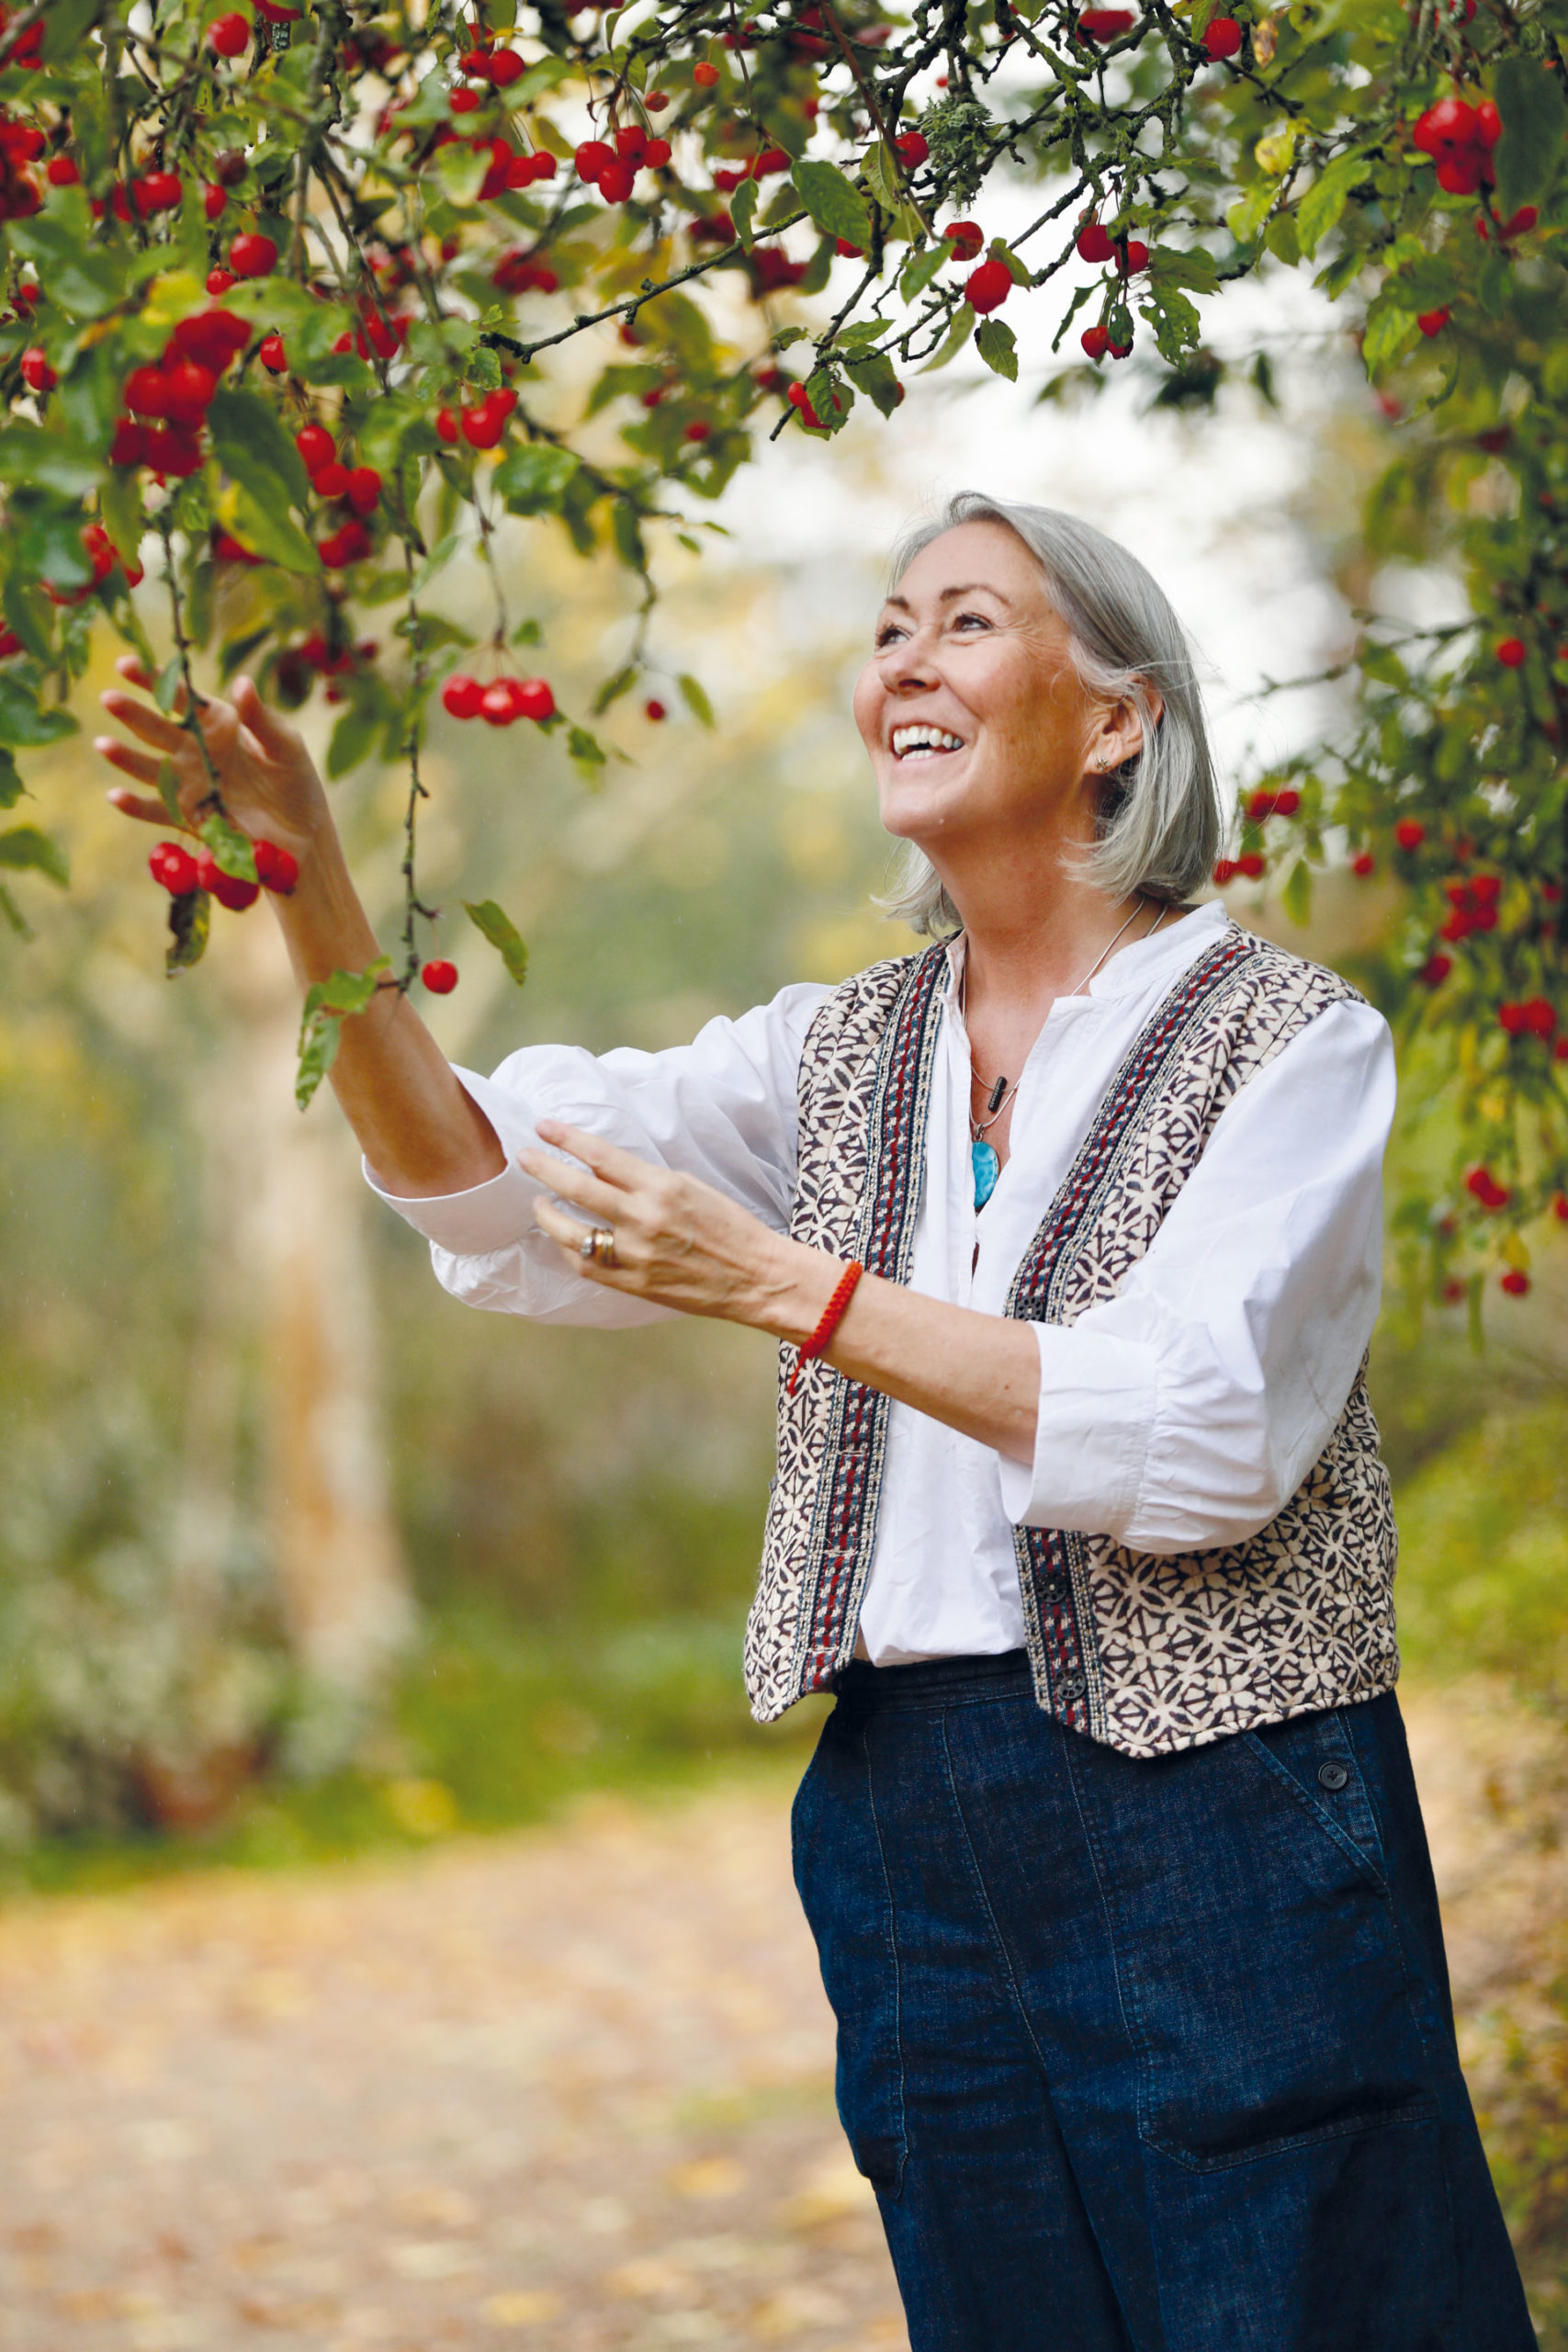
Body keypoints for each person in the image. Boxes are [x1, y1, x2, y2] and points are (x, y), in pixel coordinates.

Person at [96, 492, 1537, 2351]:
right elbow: (478, 1187)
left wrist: (788, 1287)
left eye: (960, 623)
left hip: (1225, 1819)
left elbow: (1202, 1428)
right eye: (883, 629)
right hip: (910, 1822)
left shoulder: (1289, 1041)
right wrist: (312, 884)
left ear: (1112, 716)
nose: (900, 665)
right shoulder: (830, 1051)